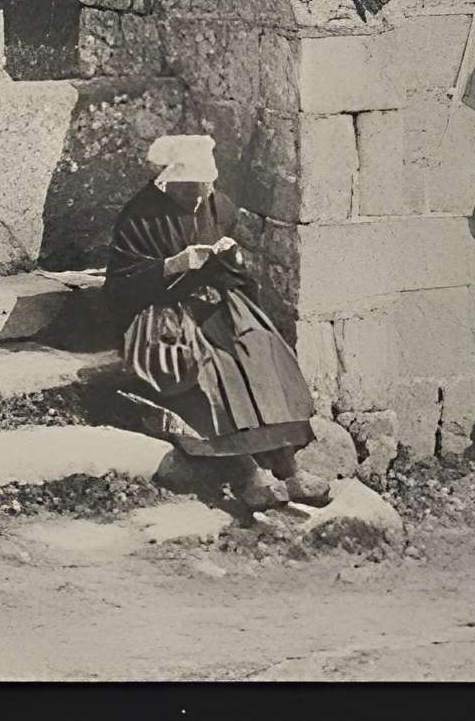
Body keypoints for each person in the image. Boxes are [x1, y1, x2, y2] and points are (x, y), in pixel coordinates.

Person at [104, 133, 332, 512]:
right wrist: (172, 265)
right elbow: (119, 289)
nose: (197, 199)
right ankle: (247, 476)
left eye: (204, 189)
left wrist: (230, 260)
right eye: (188, 191)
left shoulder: (219, 206)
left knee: (259, 346)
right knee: (208, 366)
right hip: (159, 314)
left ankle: (288, 469)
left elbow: (237, 276)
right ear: (169, 180)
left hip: (215, 303)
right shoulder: (139, 217)